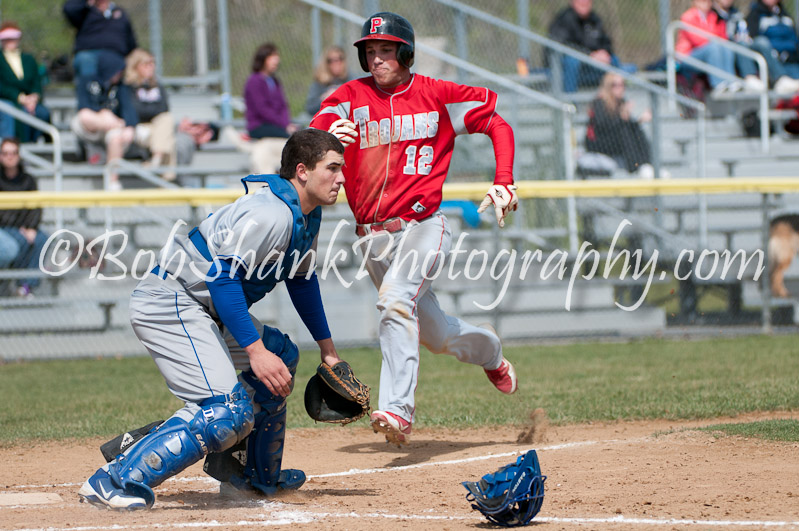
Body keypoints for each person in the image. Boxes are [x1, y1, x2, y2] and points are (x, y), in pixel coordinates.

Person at [78, 128, 348, 510]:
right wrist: (254, 351)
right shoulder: (271, 214)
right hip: (172, 302)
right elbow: (221, 278)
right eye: (333, 168)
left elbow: (301, 280)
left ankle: (249, 477)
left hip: (204, 309)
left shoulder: (307, 215)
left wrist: (329, 352)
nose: (341, 178)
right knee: (227, 410)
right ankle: (113, 480)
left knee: (281, 359)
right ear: (302, 171)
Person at [310, 12, 519, 446]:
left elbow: (495, 120)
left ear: (405, 52)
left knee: (393, 302)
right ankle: (490, 351)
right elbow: (316, 129)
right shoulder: (351, 97)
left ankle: (397, 410)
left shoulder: (436, 94)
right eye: (370, 51)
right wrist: (328, 132)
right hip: (372, 238)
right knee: (437, 335)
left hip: (421, 225)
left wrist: (503, 178)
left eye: (385, 50)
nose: (377, 58)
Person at [70, 52, 138, 190]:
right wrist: (104, 114)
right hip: (92, 127)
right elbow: (83, 107)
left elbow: (129, 110)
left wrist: (129, 126)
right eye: (117, 70)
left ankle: (112, 180)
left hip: (112, 129)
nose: (119, 74)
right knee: (85, 115)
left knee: (116, 137)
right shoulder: (87, 81)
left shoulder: (121, 86)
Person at [584, 73, 666, 179]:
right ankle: (636, 168)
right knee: (624, 131)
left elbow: (626, 124)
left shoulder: (621, 102)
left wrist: (638, 121)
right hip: (598, 143)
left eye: (622, 85)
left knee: (636, 131)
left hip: (614, 141)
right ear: (608, 87)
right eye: (615, 85)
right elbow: (603, 126)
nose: (620, 88)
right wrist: (623, 118)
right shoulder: (599, 102)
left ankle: (647, 165)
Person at [63, 0, 137, 111]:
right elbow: (68, 9)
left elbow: (132, 44)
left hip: (114, 57)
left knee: (120, 66)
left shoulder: (120, 13)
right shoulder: (85, 11)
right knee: (86, 61)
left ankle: (123, 116)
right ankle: (90, 109)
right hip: (89, 55)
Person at [0, 138, 49, 297]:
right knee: (17, 243)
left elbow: (35, 207)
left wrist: (31, 228)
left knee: (42, 239)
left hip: (24, 227)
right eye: (5, 153)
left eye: (13, 153)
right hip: (6, 227)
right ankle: (14, 282)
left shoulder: (28, 179)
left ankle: (27, 287)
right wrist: (20, 228)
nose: (9, 157)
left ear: (19, 155)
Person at [547, 0, 623, 93]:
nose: (584, 3)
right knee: (572, 61)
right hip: (570, 64)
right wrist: (589, 55)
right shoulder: (564, 19)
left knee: (614, 60)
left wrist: (604, 52)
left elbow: (605, 41)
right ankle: (570, 103)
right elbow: (563, 45)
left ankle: (612, 103)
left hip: (591, 62)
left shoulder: (595, 19)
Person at [125, 48, 176, 179]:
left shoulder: (157, 85)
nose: (151, 67)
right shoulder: (128, 87)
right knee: (167, 137)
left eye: (152, 63)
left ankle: (157, 161)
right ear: (136, 66)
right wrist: (152, 109)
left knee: (166, 120)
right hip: (138, 128)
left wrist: (148, 109)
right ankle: (167, 180)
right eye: (146, 64)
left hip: (157, 127)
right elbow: (135, 110)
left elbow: (164, 108)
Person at [676, 0, 747, 95]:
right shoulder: (688, 16)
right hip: (688, 56)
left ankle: (730, 81)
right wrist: (715, 40)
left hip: (711, 50)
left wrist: (718, 41)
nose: (705, 3)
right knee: (713, 47)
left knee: (726, 46)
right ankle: (718, 83)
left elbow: (722, 36)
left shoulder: (713, 16)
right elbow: (698, 40)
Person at [0, 21, 52, 142]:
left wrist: (34, 98)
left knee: (42, 113)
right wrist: (20, 98)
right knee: (12, 114)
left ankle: (37, 145)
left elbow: (36, 82)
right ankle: (12, 148)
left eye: (13, 38)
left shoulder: (28, 59)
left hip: (31, 102)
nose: (10, 42)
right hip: (9, 101)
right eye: (7, 39)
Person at [713, 0, 772, 92]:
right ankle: (748, 77)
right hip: (725, 49)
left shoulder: (736, 14)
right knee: (740, 44)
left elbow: (745, 31)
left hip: (741, 45)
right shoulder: (713, 15)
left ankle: (771, 78)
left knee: (759, 42)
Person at [244, 43, 297, 140]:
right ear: (262, 59)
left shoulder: (275, 81)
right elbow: (262, 109)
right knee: (291, 138)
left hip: (276, 125)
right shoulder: (254, 81)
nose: (276, 61)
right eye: (271, 57)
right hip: (259, 126)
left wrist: (286, 123)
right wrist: (283, 125)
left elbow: (283, 105)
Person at [746, 0, 799, 93]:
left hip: (791, 60)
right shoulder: (755, 15)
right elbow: (754, 41)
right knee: (762, 42)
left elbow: (794, 40)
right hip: (771, 63)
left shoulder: (786, 16)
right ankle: (780, 79)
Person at [305, 46, 354, 116]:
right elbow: (310, 108)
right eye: (331, 60)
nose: (336, 63)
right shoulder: (320, 83)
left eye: (339, 59)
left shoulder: (350, 80)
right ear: (326, 63)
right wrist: (325, 99)